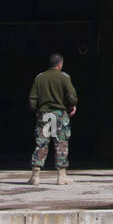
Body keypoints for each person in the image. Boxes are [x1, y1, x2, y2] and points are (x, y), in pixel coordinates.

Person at [28, 52, 77, 187]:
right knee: (61, 143)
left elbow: (32, 102)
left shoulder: (39, 78)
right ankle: (61, 176)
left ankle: (35, 176)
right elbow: (72, 97)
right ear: (60, 64)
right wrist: (72, 106)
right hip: (60, 115)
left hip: (44, 114)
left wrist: (38, 112)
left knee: (42, 143)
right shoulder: (64, 77)